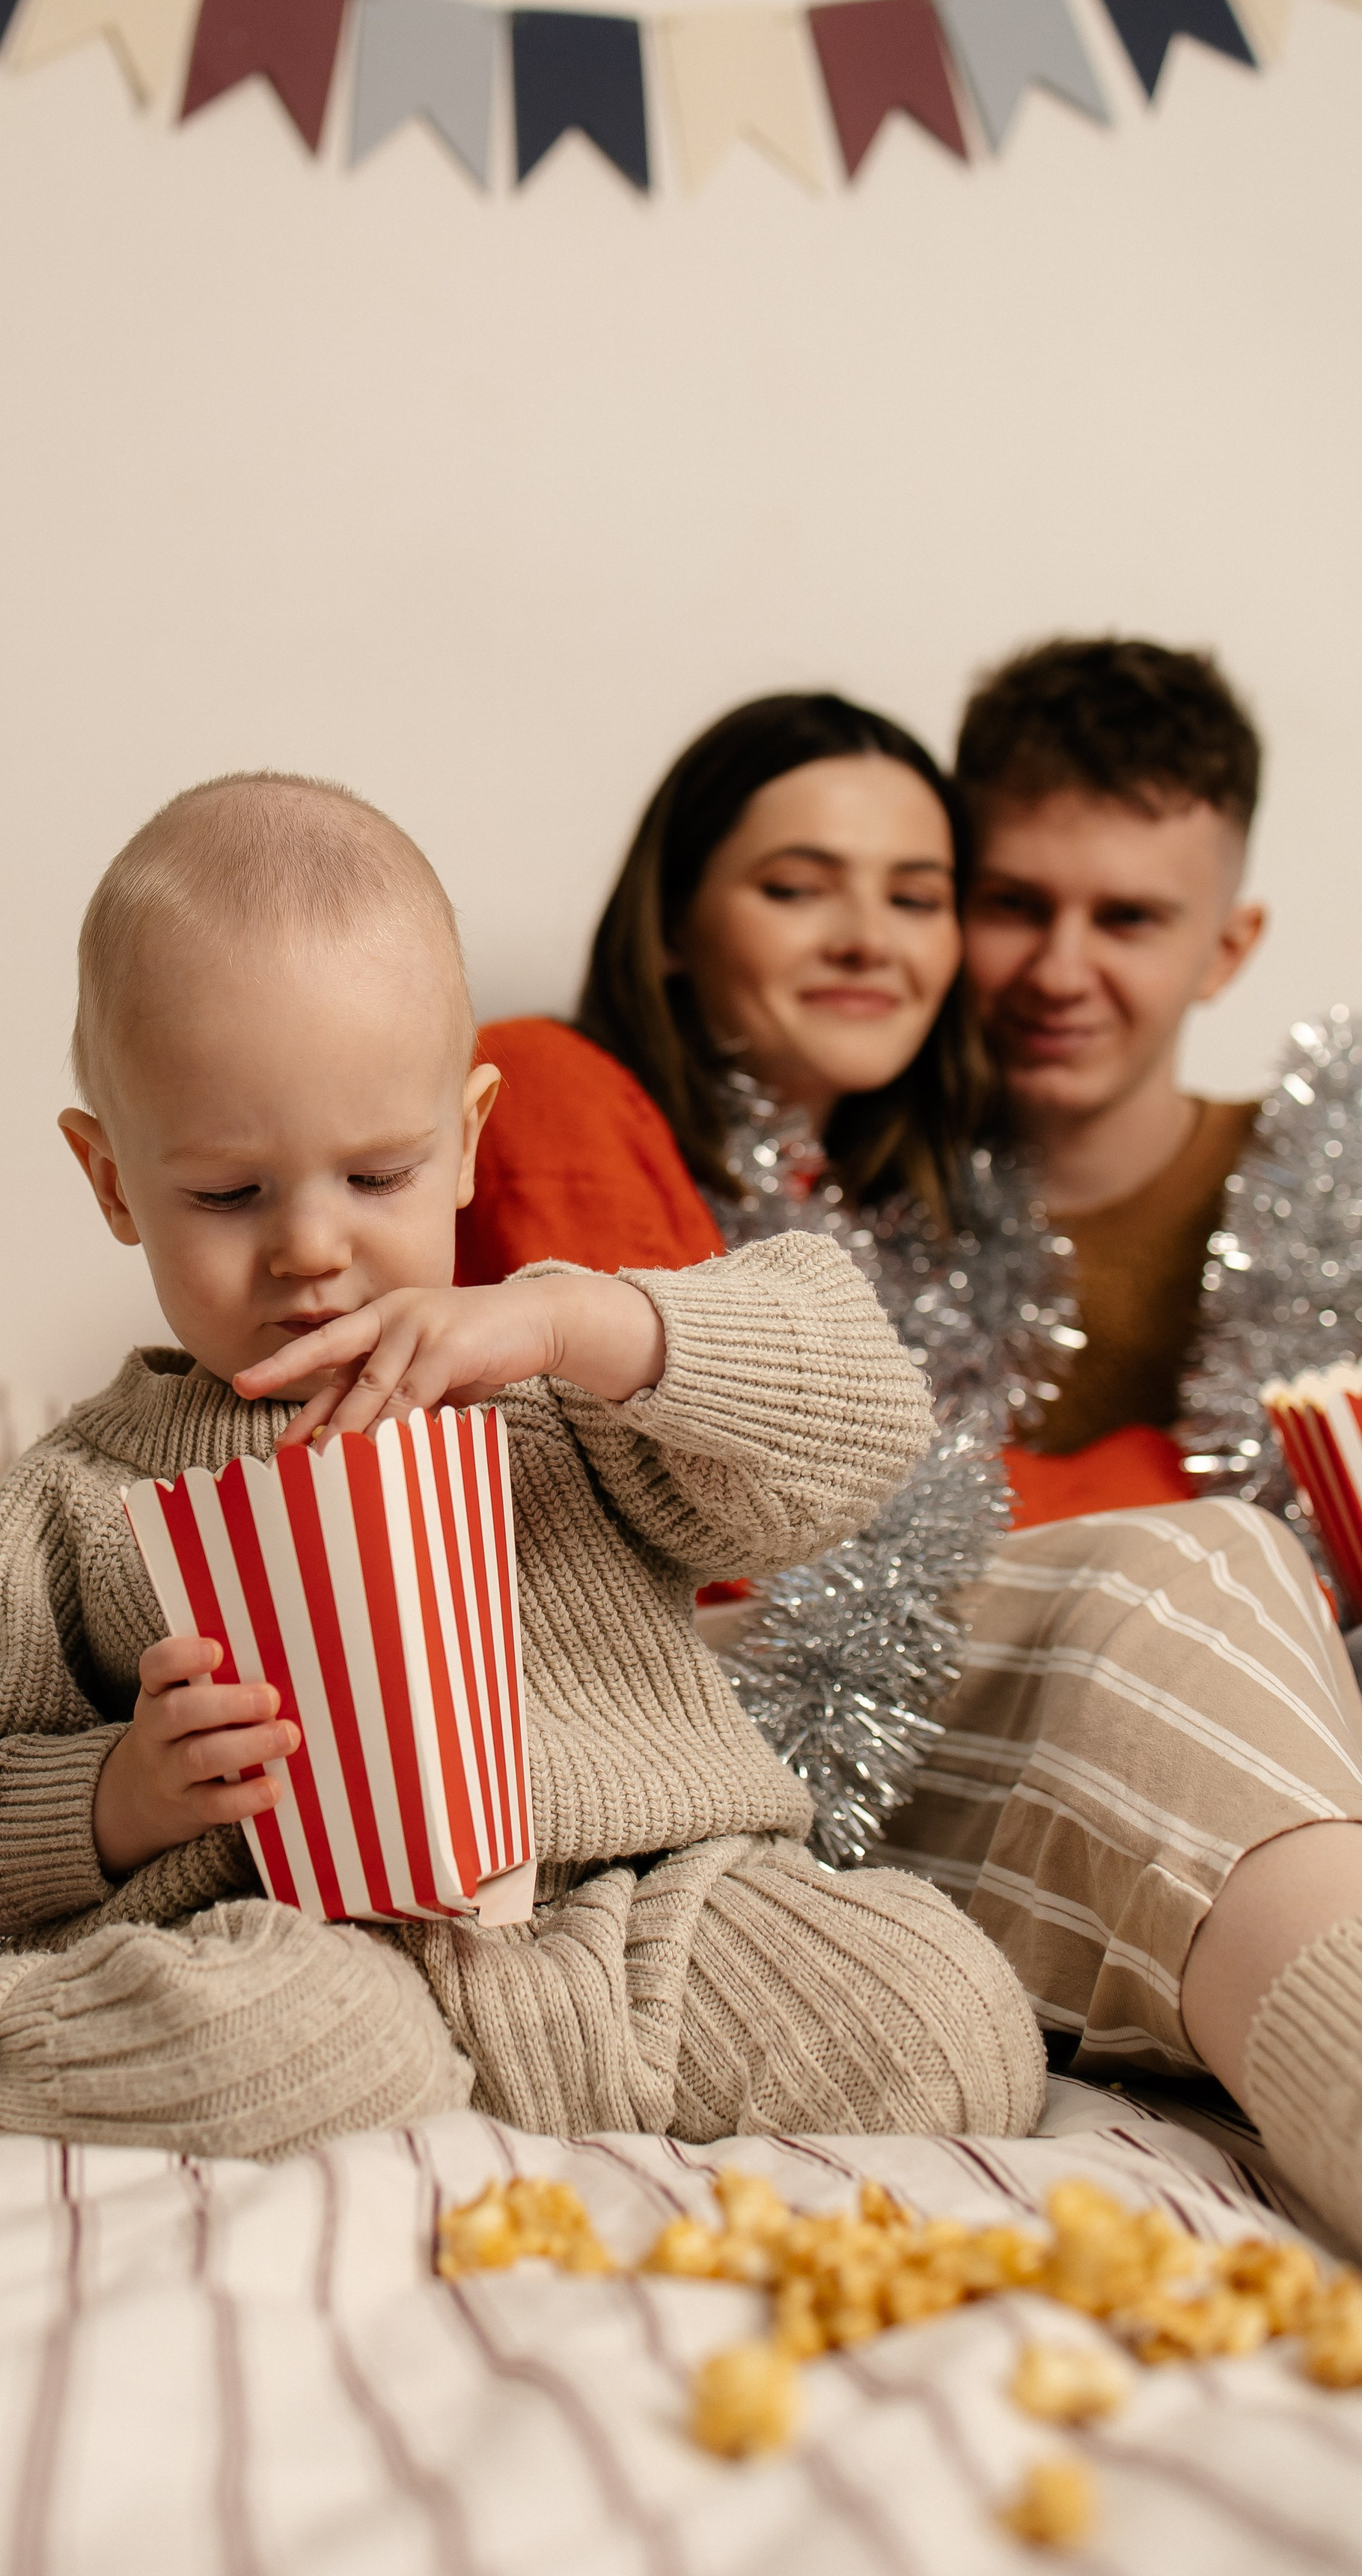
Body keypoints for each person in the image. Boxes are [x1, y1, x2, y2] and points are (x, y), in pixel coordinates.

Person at [0, 772, 1047, 2162]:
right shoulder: (83, 1495)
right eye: (229, 1194)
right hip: (320, 1960)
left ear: (467, 1143)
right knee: (296, 2049)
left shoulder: (553, 1383)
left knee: (953, 2017)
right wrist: (122, 1792)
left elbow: (863, 1417)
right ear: (112, 1182)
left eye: (377, 1177)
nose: (310, 1248)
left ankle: (559, 2089)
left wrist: (582, 1320)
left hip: (650, 1916)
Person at [457, 692, 1362, 2255]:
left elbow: (926, 1514)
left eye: (915, 895)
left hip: (828, 1701)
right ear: (671, 926)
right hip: (654, 1711)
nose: (867, 937)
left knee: (1200, 1583)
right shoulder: (543, 1081)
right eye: (796, 884)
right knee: (1193, 1564)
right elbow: (736, 1524)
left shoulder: (892, 1219)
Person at [955, 638, 1267, 1464]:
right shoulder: (833, 1205)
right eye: (1013, 905)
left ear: (1227, 951)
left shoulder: (1322, 1206)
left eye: (1126, 918)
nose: (1058, 974)